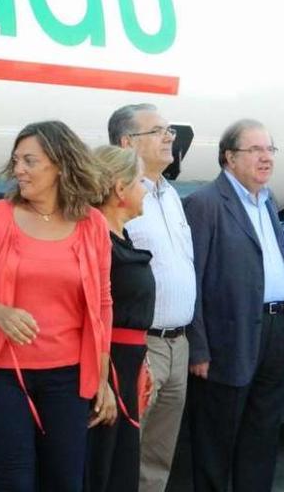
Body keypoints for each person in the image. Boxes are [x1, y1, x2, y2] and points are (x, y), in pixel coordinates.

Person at [0, 120, 115, 492]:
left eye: (29, 161)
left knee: (66, 482)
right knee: (14, 481)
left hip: (68, 379)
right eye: (16, 161)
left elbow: (103, 306)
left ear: (59, 165)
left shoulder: (92, 224)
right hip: (2, 376)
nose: (19, 170)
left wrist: (103, 381)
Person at [182, 119, 284, 491]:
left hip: (275, 332)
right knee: (216, 442)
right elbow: (192, 282)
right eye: (256, 150)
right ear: (229, 157)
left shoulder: (268, 200)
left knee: (261, 437)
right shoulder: (205, 203)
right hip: (227, 340)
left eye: (270, 150)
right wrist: (198, 348)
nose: (266, 158)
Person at [109, 103, 195, 492]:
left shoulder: (171, 195)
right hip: (141, 345)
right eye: (158, 131)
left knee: (158, 458)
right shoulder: (118, 196)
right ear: (127, 142)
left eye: (169, 131)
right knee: (125, 452)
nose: (169, 137)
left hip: (179, 344)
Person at [86, 145, 153, 492]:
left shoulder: (121, 238)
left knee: (122, 465)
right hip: (109, 367)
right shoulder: (97, 240)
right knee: (103, 466)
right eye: (140, 181)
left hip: (129, 366)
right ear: (120, 189)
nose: (146, 189)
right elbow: (93, 314)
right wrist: (104, 382)